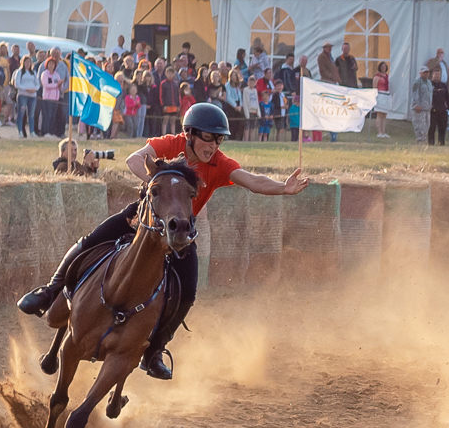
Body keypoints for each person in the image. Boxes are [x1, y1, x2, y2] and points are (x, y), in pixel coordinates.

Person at [17, 101, 307, 379]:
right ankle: (49, 291)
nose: (214, 146)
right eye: (208, 138)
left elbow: (252, 180)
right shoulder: (170, 144)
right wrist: (155, 184)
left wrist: (284, 188)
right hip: (143, 220)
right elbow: (134, 159)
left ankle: (154, 351)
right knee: (89, 241)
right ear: (190, 134)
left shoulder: (218, 163)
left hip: (179, 234)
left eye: (219, 140)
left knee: (189, 292)